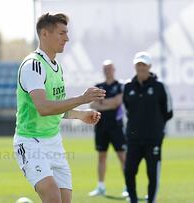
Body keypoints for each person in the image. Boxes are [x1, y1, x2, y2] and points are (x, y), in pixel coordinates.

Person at [13, 13, 106, 203]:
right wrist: (82, 98)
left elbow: (57, 107)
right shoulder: (34, 66)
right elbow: (44, 108)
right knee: (53, 196)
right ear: (45, 34)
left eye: (67, 33)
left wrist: (80, 115)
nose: (67, 38)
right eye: (62, 33)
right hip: (31, 142)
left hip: (54, 142)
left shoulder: (56, 66)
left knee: (64, 200)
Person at [123, 52, 173, 203]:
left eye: (144, 64)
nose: (141, 67)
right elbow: (127, 108)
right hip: (133, 139)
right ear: (135, 66)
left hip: (153, 140)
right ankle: (133, 200)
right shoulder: (128, 86)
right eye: (138, 64)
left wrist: (156, 129)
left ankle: (151, 200)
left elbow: (168, 112)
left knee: (152, 173)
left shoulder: (159, 87)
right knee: (129, 172)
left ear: (149, 66)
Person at [88, 60, 127, 197]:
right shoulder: (98, 87)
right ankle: (100, 187)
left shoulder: (120, 86)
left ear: (114, 69)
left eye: (109, 68)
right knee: (101, 156)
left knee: (122, 156)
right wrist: (109, 103)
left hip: (116, 126)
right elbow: (93, 105)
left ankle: (128, 186)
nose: (107, 71)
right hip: (101, 126)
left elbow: (117, 102)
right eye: (105, 68)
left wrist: (102, 102)